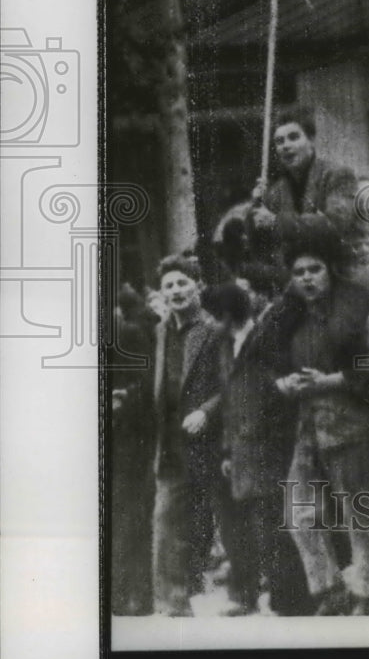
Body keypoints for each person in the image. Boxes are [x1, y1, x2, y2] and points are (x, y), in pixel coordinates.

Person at [254, 215, 369, 615]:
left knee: (359, 512)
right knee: (298, 515)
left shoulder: (358, 317)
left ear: (329, 270)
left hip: (351, 423)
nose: (308, 278)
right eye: (299, 272)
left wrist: (330, 381)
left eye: (315, 269)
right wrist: (283, 385)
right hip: (307, 427)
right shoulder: (290, 322)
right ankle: (329, 590)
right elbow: (268, 365)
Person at [208, 274, 312, 616]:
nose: (208, 322)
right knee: (253, 527)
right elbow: (227, 400)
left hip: (269, 444)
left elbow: (276, 389)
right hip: (241, 447)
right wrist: (227, 449)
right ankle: (259, 596)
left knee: (274, 526)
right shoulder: (226, 346)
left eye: (213, 314)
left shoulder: (263, 339)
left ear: (227, 313)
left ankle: (293, 600)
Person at [150, 254, 224, 617]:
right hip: (170, 443)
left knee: (218, 520)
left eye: (182, 283)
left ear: (199, 287)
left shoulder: (215, 330)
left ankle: (247, 592)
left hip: (212, 442)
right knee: (165, 519)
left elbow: (234, 385)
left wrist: (206, 411)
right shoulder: (161, 331)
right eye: (169, 285)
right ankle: (171, 603)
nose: (176, 291)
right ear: (161, 294)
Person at [214, 105, 368, 268]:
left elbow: (335, 224)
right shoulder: (276, 191)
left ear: (311, 139)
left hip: (347, 268)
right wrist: (256, 206)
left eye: (293, 137)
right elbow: (260, 246)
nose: (285, 146)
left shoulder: (338, 176)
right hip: (303, 275)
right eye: (279, 141)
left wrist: (276, 221)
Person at [110, 284, 157, 615]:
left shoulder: (129, 334)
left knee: (130, 516)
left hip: (128, 438)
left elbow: (146, 385)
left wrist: (121, 400)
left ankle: (135, 594)